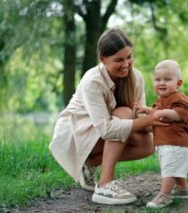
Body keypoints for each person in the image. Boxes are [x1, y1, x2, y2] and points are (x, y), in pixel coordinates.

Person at [49, 28, 168, 205]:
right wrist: (147, 120)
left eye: (129, 57)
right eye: (119, 60)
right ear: (102, 59)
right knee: (124, 114)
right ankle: (104, 185)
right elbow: (107, 129)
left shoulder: (136, 77)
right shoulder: (93, 81)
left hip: (102, 132)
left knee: (149, 143)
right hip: (76, 134)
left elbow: (140, 119)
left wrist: (163, 121)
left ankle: (89, 164)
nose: (126, 64)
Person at [133, 59, 188, 208]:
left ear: (178, 84)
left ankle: (164, 195)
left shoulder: (179, 98)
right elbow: (156, 113)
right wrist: (146, 110)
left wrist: (161, 112)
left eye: (167, 79)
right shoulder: (162, 99)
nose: (161, 83)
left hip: (176, 142)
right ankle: (182, 190)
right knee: (174, 168)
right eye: (157, 79)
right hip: (166, 142)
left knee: (170, 170)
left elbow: (179, 114)